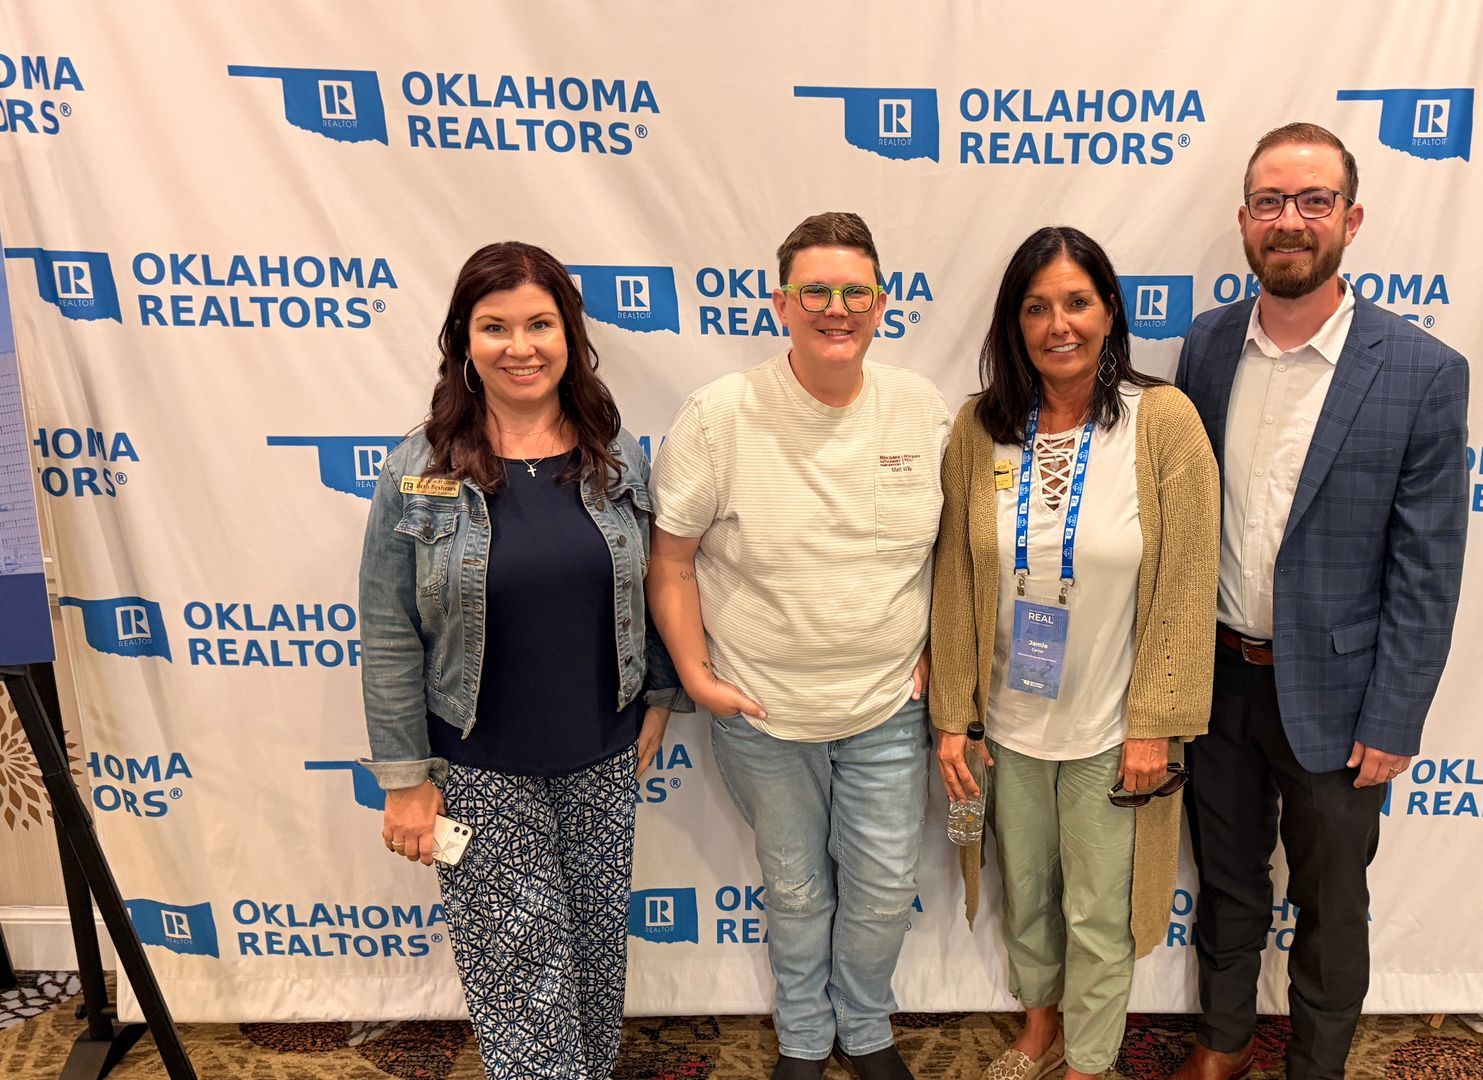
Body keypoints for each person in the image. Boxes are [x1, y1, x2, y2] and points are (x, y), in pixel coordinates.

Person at [1170, 124, 1470, 1080]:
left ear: (1351, 218)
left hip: (1344, 704)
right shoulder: (1207, 345)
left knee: (1332, 904)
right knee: (1226, 881)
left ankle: (1316, 1064)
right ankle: (1222, 1043)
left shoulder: (1422, 372)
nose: (1290, 221)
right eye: (1270, 202)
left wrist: (1395, 716)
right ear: (1244, 220)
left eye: (1312, 201)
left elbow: (1428, 566)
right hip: (1220, 678)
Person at [358, 241, 688, 1079]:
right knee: (526, 1004)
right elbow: (389, 628)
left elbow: (652, 580)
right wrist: (405, 778)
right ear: (463, 341)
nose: (520, 346)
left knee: (593, 982)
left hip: (601, 758)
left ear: (570, 334)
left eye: (540, 324)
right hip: (479, 769)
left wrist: (657, 694)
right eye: (495, 326)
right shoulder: (418, 468)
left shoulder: (614, 454)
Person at [645, 212, 951, 1080]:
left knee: (884, 885)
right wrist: (696, 675)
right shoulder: (719, 417)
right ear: (781, 304)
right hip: (762, 709)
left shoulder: (922, 411)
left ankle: (866, 1027)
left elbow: (952, 554)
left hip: (888, 706)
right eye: (814, 291)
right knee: (794, 886)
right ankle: (807, 1037)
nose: (835, 308)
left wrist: (943, 652)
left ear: (882, 303)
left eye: (855, 292)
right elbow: (670, 562)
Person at [931, 226, 1220, 1080]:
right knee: (1028, 895)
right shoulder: (978, 429)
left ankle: (1091, 1061)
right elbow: (954, 578)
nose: (1058, 324)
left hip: (1111, 727)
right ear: (1013, 322)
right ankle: (1040, 1028)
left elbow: (1186, 583)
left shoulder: (1162, 423)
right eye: (1036, 307)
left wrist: (1155, 725)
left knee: (1100, 910)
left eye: (1077, 302)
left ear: (1109, 312)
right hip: (1006, 725)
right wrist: (954, 716)